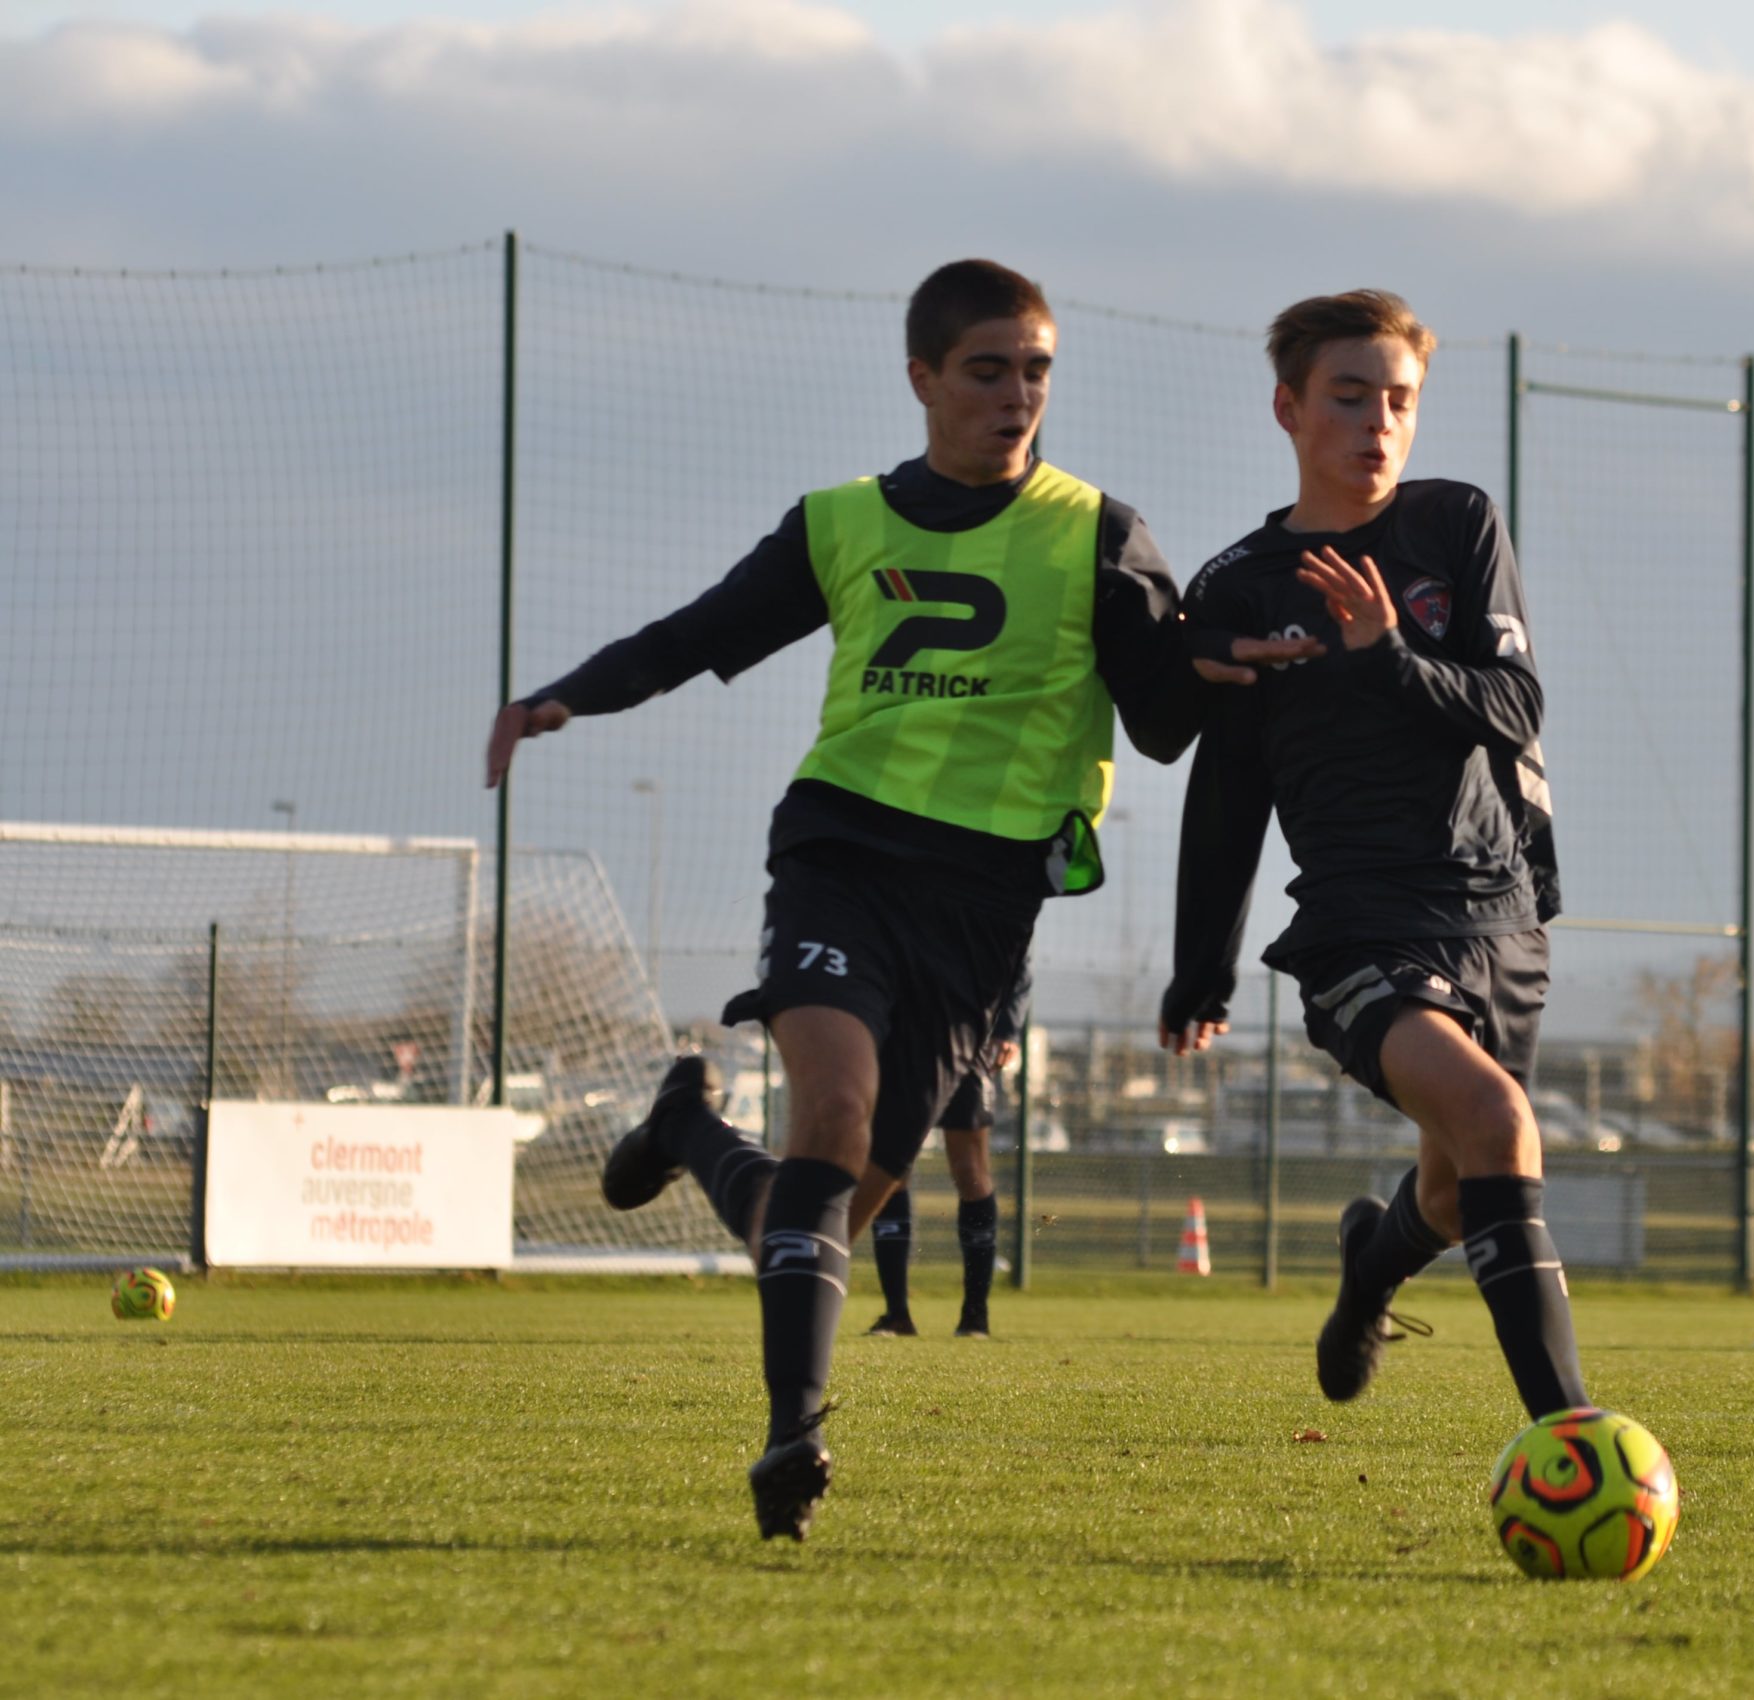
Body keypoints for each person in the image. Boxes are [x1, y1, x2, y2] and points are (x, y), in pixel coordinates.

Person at [483, 259, 1316, 1541]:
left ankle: (688, 1130)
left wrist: (1213, 665)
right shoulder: (839, 521)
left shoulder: (1098, 531)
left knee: (811, 1207)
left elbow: (1156, 726)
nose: (1017, 393)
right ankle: (789, 1441)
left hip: (986, 904)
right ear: (922, 376)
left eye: (1036, 369)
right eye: (988, 368)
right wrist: (565, 696)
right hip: (843, 847)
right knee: (833, 1110)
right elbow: (705, 628)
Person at [1159, 288, 1585, 1424]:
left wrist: (1387, 651)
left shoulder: (1455, 524)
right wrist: (1200, 960)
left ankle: (1369, 1269)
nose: (1377, 423)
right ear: (1288, 408)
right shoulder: (1240, 584)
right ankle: (1568, 1435)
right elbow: (1227, 782)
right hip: (1357, 926)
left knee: (1452, 1187)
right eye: (1349, 397)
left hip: (1501, 914)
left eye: (1399, 399)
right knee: (1497, 1123)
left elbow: (1514, 701)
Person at [865, 958, 1027, 1340]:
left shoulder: (985, 902)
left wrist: (1008, 1026)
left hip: (966, 1037)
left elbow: (1018, 961)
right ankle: (896, 1315)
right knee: (892, 1170)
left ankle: (975, 1318)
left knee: (970, 1170)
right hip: (898, 1041)